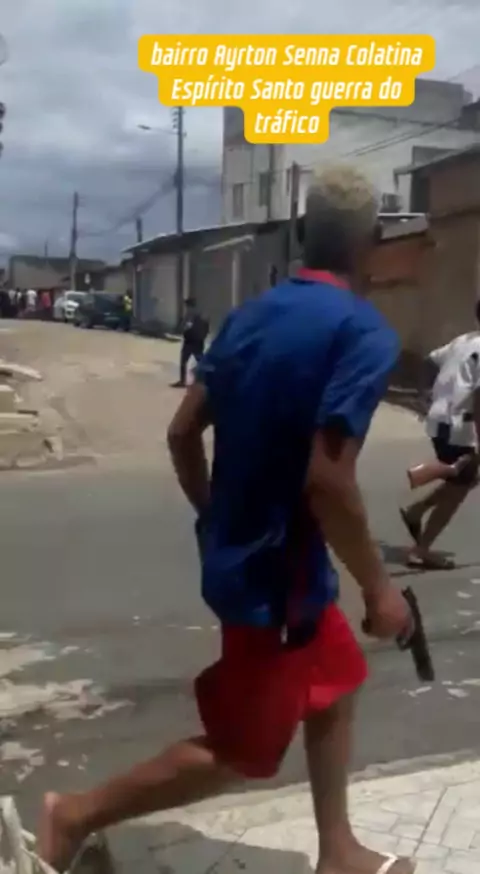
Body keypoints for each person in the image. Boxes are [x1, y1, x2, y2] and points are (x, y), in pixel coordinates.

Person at [37, 165, 413, 874]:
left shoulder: (249, 316)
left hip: (253, 562)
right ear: (370, 243)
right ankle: (73, 814)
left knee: (337, 684)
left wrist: (216, 517)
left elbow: (182, 433)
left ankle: (338, 850)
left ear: (301, 235)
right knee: (244, 751)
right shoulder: (362, 332)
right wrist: (380, 588)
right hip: (277, 584)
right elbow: (329, 481)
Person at [400, 309, 480, 569]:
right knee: (458, 489)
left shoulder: (463, 340)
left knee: (465, 479)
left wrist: (424, 394)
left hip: (441, 421)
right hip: (459, 426)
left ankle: (417, 510)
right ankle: (421, 550)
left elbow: (429, 361)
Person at [171, 298, 209, 388]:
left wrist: (180, 330)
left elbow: (186, 326)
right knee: (201, 361)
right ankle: (206, 380)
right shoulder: (202, 314)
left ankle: (182, 381)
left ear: (189, 306)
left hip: (190, 341)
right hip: (199, 341)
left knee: (183, 361)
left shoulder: (190, 315)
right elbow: (207, 328)